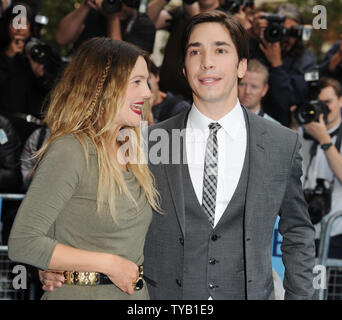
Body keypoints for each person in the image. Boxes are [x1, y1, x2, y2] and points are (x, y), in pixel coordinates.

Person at [40, 11, 315, 300]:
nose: (207, 62)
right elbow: (96, 215)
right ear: (184, 68)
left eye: (220, 50)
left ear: (241, 66)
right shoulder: (146, 142)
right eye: (195, 51)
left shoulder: (281, 144)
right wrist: (60, 263)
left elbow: (298, 232)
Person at [8, 37, 160, 300]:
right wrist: (108, 265)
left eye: (146, 81)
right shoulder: (71, 150)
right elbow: (24, 242)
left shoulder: (134, 148)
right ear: (103, 87)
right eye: (136, 81)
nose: (147, 92)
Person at [295, 77, 342, 300]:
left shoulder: (326, 136)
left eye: (328, 102)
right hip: (307, 233)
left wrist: (324, 139)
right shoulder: (304, 132)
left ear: (341, 101)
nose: (322, 109)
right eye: (317, 103)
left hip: (335, 235)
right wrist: (296, 124)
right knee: (308, 293)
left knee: (329, 294)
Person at [249, 3, 316, 126]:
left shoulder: (305, 59)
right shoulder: (256, 45)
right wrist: (251, 33)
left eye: (292, 32)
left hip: (280, 126)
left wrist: (277, 66)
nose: (286, 37)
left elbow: (288, 104)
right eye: (281, 30)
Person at [0, 3, 48, 144]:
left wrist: (41, 75)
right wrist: (8, 56)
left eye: (24, 23)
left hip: (32, 131)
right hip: (4, 128)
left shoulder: (40, 53)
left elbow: (52, 93)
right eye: (15, 23)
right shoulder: (3, 52)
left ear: (31, 26)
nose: (19, 28)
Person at [56, 0, 156, 54]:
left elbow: (121, 62)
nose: (121, 5)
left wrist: (112, 17)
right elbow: (62, 39)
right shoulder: (95, 10)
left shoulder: (144, 25)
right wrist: (86, 5)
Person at [238, 58, 279, 123]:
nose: (247, 91)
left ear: (264, 90)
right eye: (242, 84)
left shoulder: (275, 127)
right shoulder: (222, 120)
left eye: (254, 87)